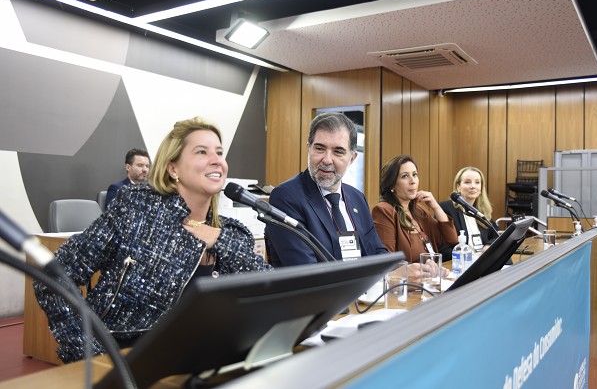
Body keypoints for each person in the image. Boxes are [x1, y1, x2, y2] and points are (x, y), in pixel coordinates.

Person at [34, 117, 271, 363]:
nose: (216, 160)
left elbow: (270, 292)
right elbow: (53, 277)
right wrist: (90, 354)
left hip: (204, 365)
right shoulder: (137, 209)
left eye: (220, 153)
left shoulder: (231, 233)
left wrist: (221, 240)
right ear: (173, 169)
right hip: (128, 361)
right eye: (202, 151)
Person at [265, 112, 389, 266]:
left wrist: (401, 269)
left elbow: (376, 252)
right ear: (309, 149)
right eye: (320, 148)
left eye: (338, 151)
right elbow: (306, 271)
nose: (327, 160)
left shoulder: (357, 198)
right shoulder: (286, 197)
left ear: (352, 158)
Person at [372, 155, 458, 263]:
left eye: (414, 174)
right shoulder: (383, 211)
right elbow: (387, 259)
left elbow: (451, 240)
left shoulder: (419, 210)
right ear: (392, 184)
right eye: (405, 176)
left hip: (432, 272)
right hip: (408, 274)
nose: (412, 181)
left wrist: (436, 206)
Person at [439, 166, 499, 251]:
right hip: (459, 258)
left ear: (481, 188)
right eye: (467, 182)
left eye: (477, 182)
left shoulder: (482, 211)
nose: (473, 186)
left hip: (482, 258)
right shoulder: (446, 208)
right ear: (458, 187)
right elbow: (442, 246)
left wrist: (488, 246)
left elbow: (496, 234)